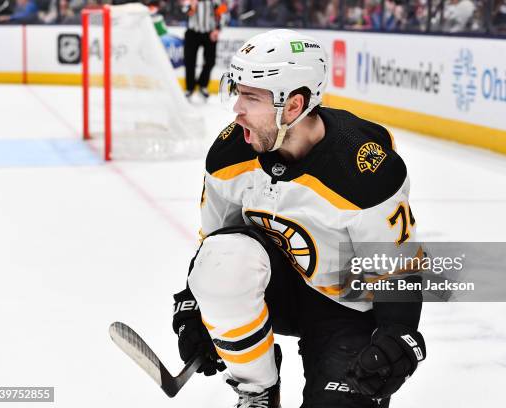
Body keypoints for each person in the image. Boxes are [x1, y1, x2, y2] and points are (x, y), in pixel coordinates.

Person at [172, 29, 426, 408]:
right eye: (237, 91)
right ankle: (257, 388)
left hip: (346, 308)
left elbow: (397, 270)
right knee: (224, 259)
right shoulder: (229, 155)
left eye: (251, 97)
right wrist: (196, 303)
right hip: (276, 289)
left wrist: (398, 334)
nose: (236, 108)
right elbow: (214, 245)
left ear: (293, 106)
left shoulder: (364, 171)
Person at [181, 0, 226, 100]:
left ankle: (202, 85)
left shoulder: (215, 1)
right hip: (192, 32)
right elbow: (185, 11)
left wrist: (217, 29)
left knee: (210, 61)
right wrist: (192, 4)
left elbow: (223, 13)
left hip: (209, 33)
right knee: (189, 61)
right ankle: (190, 88)